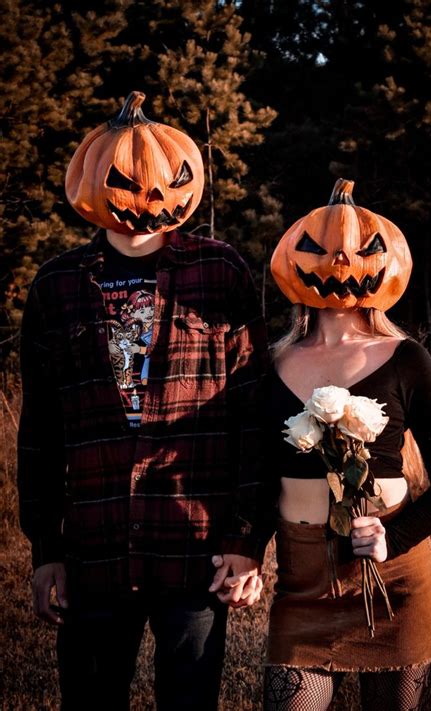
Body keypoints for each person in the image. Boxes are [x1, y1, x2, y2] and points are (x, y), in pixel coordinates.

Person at [16, 91, 271, 711]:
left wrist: (246, 539)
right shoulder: (55, 285)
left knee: (189, 700)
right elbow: (40, 430)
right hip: (94, 548)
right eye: (130, 183)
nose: (151, 199)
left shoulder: (223, 273)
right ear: (91, 182)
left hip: (195, 544)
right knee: (91, 698)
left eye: (169, 183)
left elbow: (254, 415)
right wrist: (46, 551)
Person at [261, 178, 431, 710]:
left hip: (397, 579)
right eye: (316, 250)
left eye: (363, 251)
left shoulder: (406, 359)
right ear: (293, 260)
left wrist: (392, 539)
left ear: (385, 262)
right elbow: (256, 475)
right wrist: (241, 551)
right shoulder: (274, 365)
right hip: (304, 582)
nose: (339, 263)